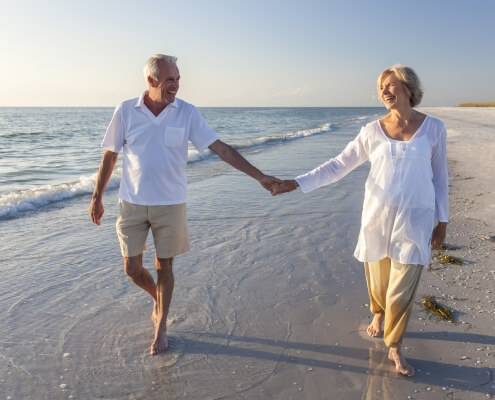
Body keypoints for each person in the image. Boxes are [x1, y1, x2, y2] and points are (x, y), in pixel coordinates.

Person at [89, 54, 280, 355]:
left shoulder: (187, 113)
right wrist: (97, 196)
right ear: (151, 81)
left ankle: (161, 325)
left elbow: (221, 149)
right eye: (169, 80)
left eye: (178, 79)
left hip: (171, 204)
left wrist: (259, 176)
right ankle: (158, 298)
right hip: (132, 202)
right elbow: (110, 155)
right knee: (132, 268)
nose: (176, 85)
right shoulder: (126, 110)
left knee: (164, 266)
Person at [272, 65, 448, 377]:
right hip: (377, 217)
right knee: (379, 281)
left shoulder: (434, 129)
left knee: (402, 285)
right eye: (381, 87)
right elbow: (339, 164)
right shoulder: (371, 131)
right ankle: (377, 313)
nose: (384, 91)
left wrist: (442, 220)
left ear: (408, 89)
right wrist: (297, 182)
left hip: (415, 218)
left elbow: (440, 178)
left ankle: (394, 346)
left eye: (391, 85)